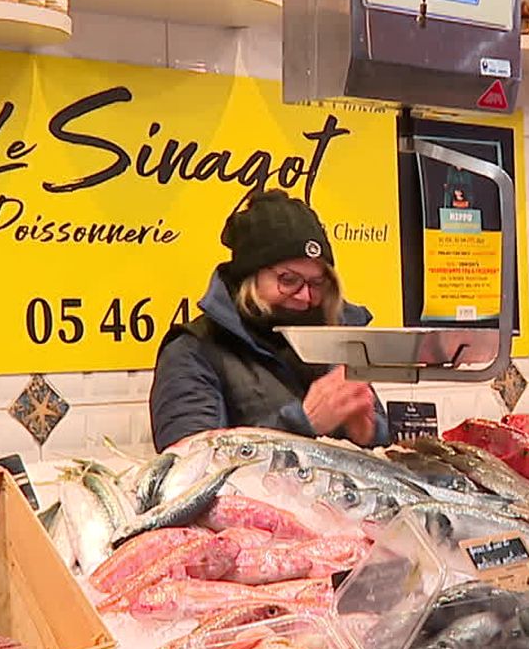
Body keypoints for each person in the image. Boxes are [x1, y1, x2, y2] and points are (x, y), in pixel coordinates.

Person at [150, 190, 389, 452]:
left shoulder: (337, 342)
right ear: (249, 277)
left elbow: (379, 447)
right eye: (288, 280)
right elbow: (187, 466)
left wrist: (369, 434)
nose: (305, 296)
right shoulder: (192, 351)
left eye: (317, 283)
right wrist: (303, 422)